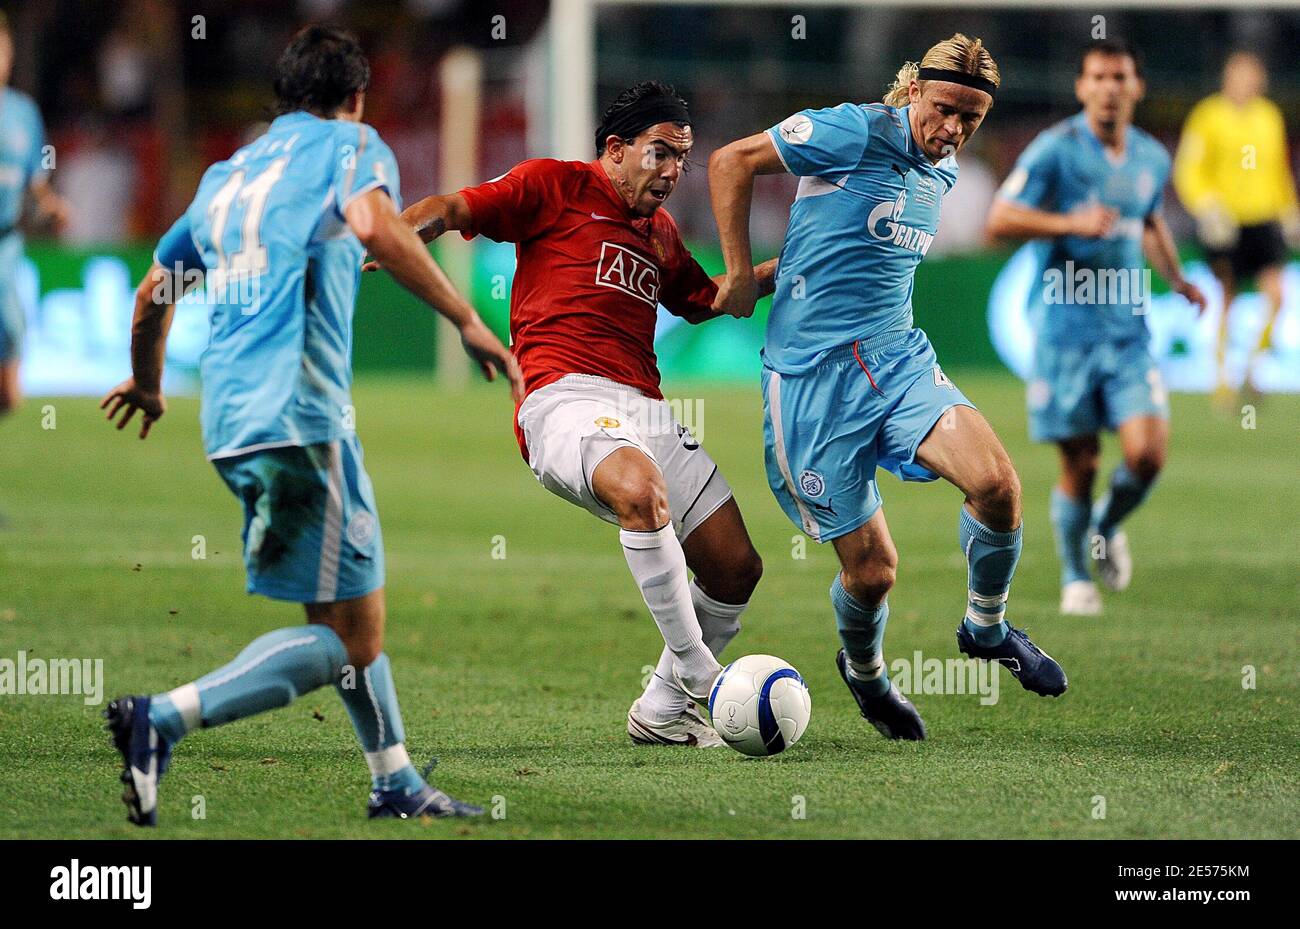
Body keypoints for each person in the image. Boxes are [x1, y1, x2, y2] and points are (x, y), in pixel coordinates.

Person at [99, 25, 522, 826]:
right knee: (353, 641)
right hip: (300, 413)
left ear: (282, 98)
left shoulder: (227, 174)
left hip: (228, 420)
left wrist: (151, 386)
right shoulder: (352, 144)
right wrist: (465, 315)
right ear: (355, 98)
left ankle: (393, 777)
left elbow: (157, 285)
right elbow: (373, 226)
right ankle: (160, 718)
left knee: (337, 617)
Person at [379, 81, 773, 747]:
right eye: (661, 153)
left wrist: (780, 272)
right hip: (563, 399)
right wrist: (392, 236)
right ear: (616, 149)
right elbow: (450, 208)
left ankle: (661, 709)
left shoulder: (660, 233)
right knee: (640, 493)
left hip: (644, 408)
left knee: (736, 565)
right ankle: (707, 681)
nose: (675, 171)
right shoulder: (552, 186)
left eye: (683, 158)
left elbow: (706, 301)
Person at [709, 34, 1067, 742]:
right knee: (873, 573)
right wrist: (741, 272)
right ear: (911, 93)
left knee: (997, 483)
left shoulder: (946, 170)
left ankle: (985, 627)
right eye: (944, 109)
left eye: (971, 117)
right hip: (812, 386)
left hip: (898, 362)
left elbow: (842, 247)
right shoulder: (849, 130)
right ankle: (866, 673)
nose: (954, 129)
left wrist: (783, 268)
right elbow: (730, 161)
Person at [987, 39, 1207, 616]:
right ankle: (1075, 577)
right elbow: (1000, 218)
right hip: (1064, 336)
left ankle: (1106, 525)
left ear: (1135, 87)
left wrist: (1179, 280)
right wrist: (1069, 220)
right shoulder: (1054, 150)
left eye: (1120, 77)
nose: (1109, 87)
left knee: (1147, 454)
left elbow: (1151, 220)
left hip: (1129, 335)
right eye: (1098, 77)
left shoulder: (1151, 157)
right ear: (1083, 87)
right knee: (1079, 464)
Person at [1174, 50, 1297, 406]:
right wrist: (1207, 206)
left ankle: (1254, 367)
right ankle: (1223, 380)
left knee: (1277, 295)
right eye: (1239, 74)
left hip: (1263, 218)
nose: (1247, 81)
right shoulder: (1209, 115)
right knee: (1227, 297)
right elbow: (1189, 168)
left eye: (1252, 75)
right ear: (1228, 77)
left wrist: (1289, 210)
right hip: (1226, 222)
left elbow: (1277, 170)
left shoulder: (1269, 116)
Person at [0, 11, 71, 415]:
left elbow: (35, 182)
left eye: (3, 49)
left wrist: (52, 208)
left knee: (10, 392)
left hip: (6, 247)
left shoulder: (22, 113)